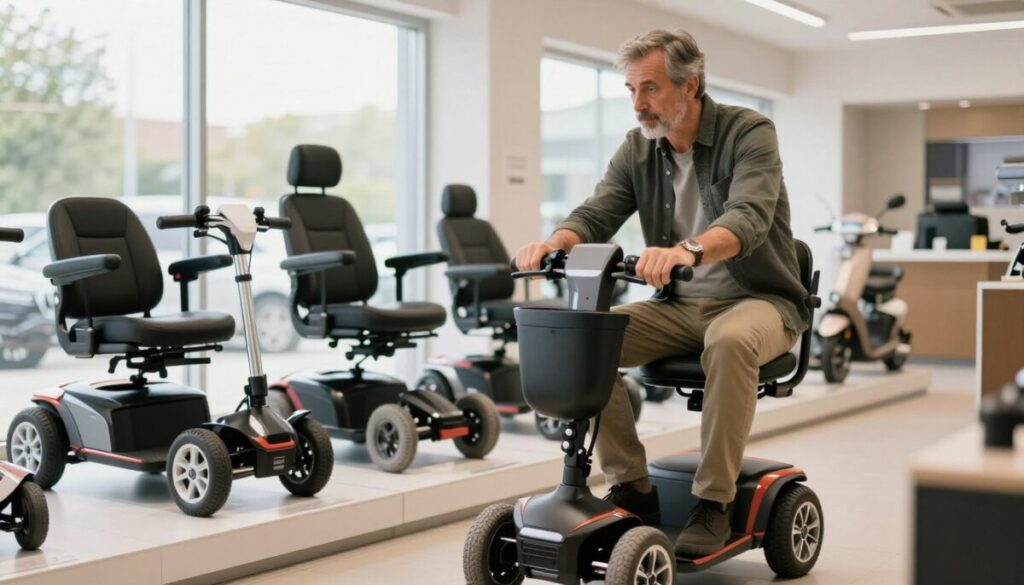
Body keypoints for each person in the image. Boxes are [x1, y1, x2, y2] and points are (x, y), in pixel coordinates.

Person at [514, 29, 810, 556]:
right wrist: (555, 241)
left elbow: (750, 216)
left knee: (729, 340)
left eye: (649, 89)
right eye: (630, 90)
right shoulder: (639, 148)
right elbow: (597, 211)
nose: (637, 104)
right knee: (589, 343)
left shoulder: (750, 133)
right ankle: (632, 485)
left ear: (690, 84)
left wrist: (686, 251)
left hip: (760, 301)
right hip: (679, 307)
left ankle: (714, 501)